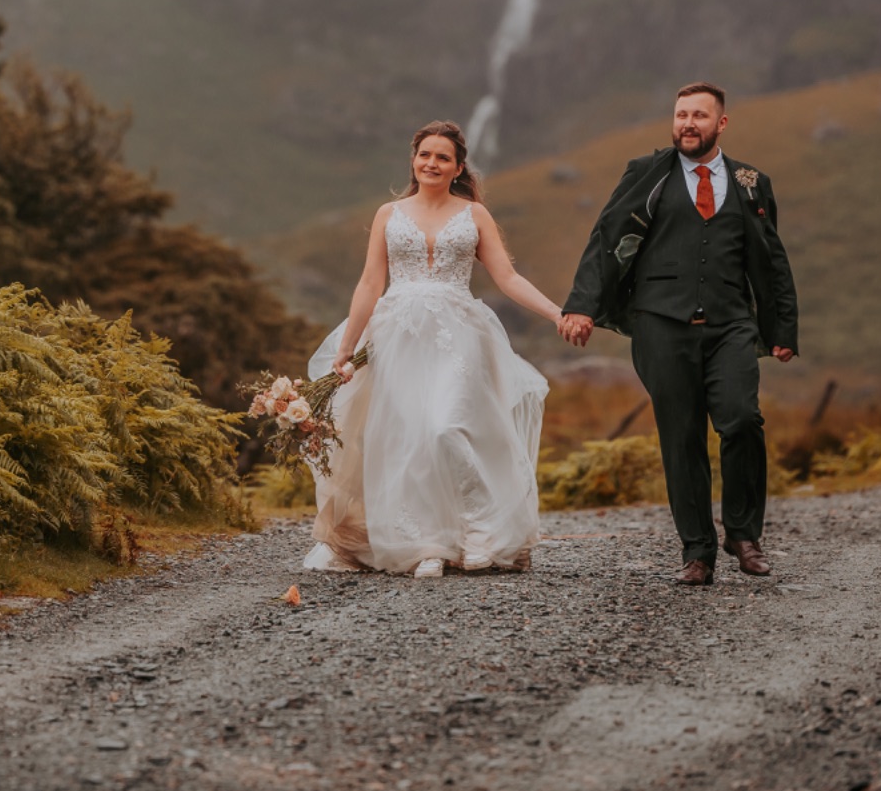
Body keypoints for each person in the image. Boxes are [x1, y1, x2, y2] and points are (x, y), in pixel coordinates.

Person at [558, 82, 800, 586]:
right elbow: (605, 237)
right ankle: (697, 551)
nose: (688, 123)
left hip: (731, 321)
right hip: (659, 324)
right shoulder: (645, 173)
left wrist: (781, 328)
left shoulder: (752, 182)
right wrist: (581, 306)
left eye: (699, 116)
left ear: (721, 124)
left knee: (741, 420)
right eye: (681, 114)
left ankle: (743, 532)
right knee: (681, 436)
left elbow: (771, 260)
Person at [302, 121, 565, 578]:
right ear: (414, 159)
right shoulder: (389, 213)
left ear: (458, 167)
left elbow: (507, 278)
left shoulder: (475, 215)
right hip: (396, 336)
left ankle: (481, 533)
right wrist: (346, 349)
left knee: (446, 427)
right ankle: (428, 544)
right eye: (425, 155)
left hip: (458, 335)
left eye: (443, 157)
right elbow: (370, 282)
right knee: (410, 438)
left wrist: (557, 313)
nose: (432, 163)